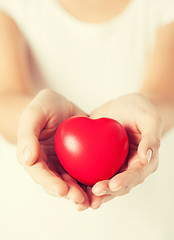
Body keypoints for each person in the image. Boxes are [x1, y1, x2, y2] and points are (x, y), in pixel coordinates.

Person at [0, 0, 174, 239]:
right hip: (29, 226)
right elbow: (5, 97)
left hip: (145, 228)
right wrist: (33, 119)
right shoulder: (15, 5)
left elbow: (166, 96)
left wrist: (148, 113)